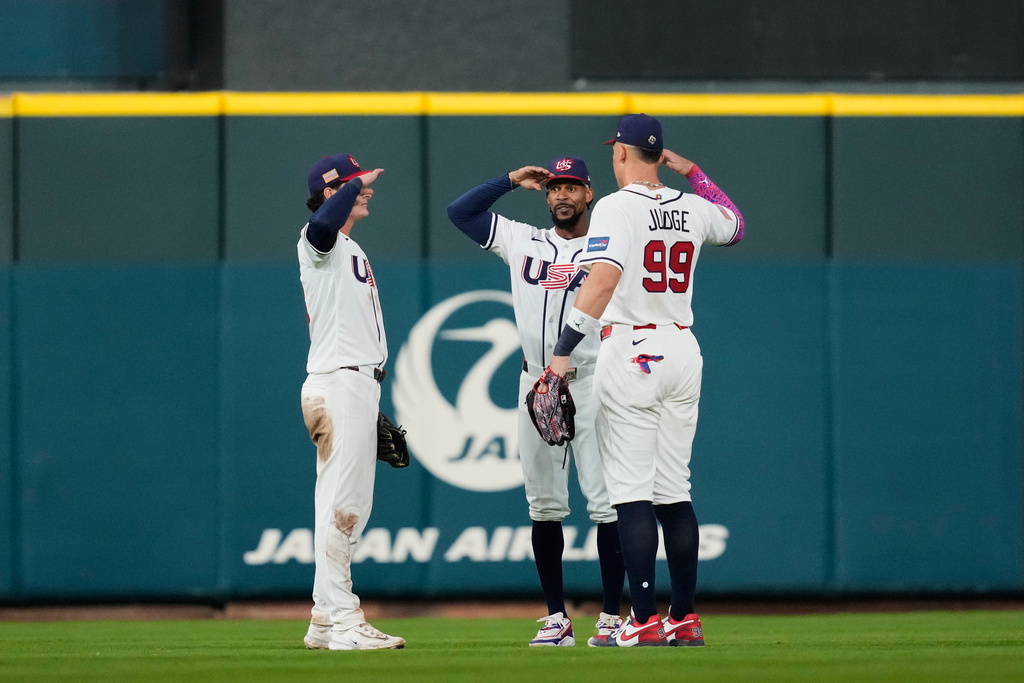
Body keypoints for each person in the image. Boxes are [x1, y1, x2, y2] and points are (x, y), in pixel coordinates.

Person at [544, 114, 744, 647]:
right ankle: (685, 616)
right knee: (674, 489)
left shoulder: (613, 206)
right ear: (662, 155)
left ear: (622, 154)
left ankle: (644, 618)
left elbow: (604, 279)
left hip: (632, 346)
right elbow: (736, 223)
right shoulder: (694, 207)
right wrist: (695, 171)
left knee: (631, 491)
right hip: (683, 347)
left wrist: (563, 351)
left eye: (616, 151)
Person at [447, 157, 627, 647]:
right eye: (553, 188)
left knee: (606, 503)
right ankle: (556, 618)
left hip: (592, 379)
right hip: (535, 381)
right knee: (544, 505)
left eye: (571, 187)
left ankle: (611, 617)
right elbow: (460, 213)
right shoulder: (522, 238)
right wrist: (507, 181)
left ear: (590, 193)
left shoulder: (609, 243)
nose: (561, 195)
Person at [297, 153, 405, 651]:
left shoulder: (347, 245)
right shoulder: (318, 239)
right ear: (331, 191)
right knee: (344, 507)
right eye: (355, 184)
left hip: (353, 382)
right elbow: (320, 223)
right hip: (340, 381)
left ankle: (323, 619)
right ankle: (345, 622)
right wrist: (349, 184)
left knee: (338, 507)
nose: (368, 190)